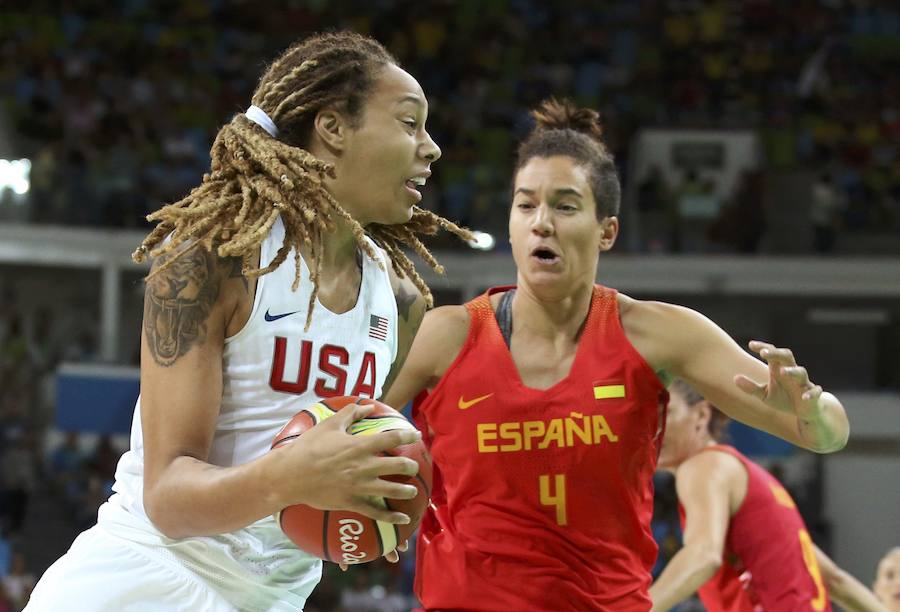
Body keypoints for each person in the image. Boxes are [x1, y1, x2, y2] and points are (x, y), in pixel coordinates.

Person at [26, 31, 468, 611]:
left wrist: (371, 496)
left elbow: (334, 464)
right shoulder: (214, 259)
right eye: (409, 123)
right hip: (145, 582)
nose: (431, 148)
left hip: (273, 600)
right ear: (333, 129)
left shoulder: (403, 298)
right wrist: (293, 476)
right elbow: (167, 497)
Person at [381, 98, 849, 610]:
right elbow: (341, 431)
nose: (541, 222)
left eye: (564, 205)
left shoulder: (660, 334)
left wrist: (809, 408)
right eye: (525, 204)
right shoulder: (445, 337)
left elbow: (826, 433)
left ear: (607, 231)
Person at [649, 379, 885, 612]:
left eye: (667, 412)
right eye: (648, 414)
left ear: (701, 415)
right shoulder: (754, 480)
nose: (654, 425)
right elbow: (836, 581)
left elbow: (703, 555)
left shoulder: (704, 466)